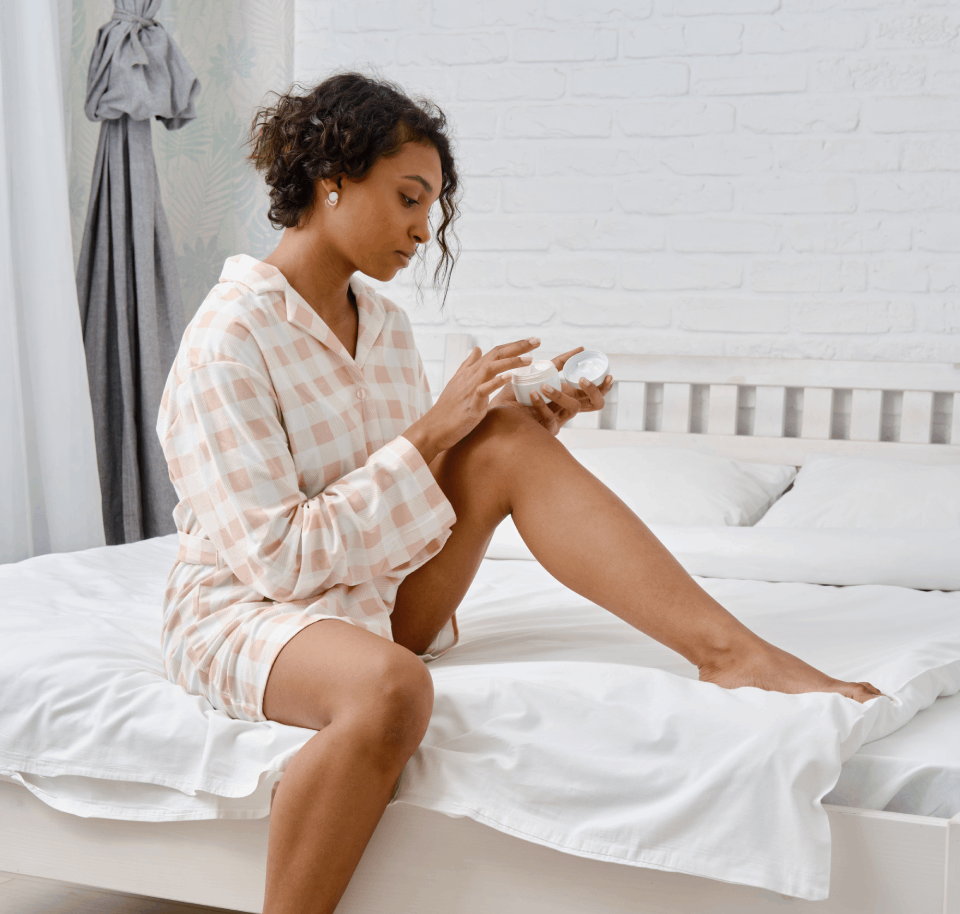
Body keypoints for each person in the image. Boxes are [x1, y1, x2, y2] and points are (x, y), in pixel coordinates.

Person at [156, 70, 882, 914]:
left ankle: (732, 655)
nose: (423, 231)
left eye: (432, 209)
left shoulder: (382, 325)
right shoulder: (229, 339)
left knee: (503, 437)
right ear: (333, 178)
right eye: (407, 199)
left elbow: (404, 490)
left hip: (372, 595)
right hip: (248, 611)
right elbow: (280, 560)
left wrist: (524, 430)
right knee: (391, 689)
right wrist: (432, 431)